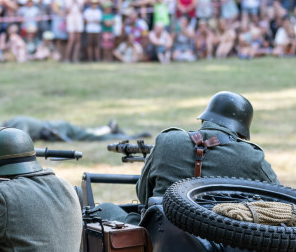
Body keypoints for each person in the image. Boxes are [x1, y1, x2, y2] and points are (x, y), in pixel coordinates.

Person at [99, 92, 277, 223]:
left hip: (159, 238)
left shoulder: (167, 140)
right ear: (242, 131)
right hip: (225, 246)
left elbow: (143, 196)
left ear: (205, 119)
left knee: (103, 209)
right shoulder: (253, 157)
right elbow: (281, 202)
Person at [0, 116, 140, 142]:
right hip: (58, 128)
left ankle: (113, 132)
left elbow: (22, 139)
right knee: (86, 134)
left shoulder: (16, 122)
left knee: (88, 136)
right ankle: (109, 129)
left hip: (59, 130)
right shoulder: (16, 121)